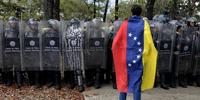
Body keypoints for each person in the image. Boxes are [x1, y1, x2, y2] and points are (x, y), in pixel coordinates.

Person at [112, 5, 157, 100]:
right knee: (137, 84)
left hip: (125, 58)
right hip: (138, 58)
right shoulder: (144, 24)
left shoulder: (125, 24)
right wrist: (151, 52)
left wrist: (118, 53)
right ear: (140, 13)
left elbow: (115, 43)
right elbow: (148, 41)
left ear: (131, 12)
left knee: (124, 83)